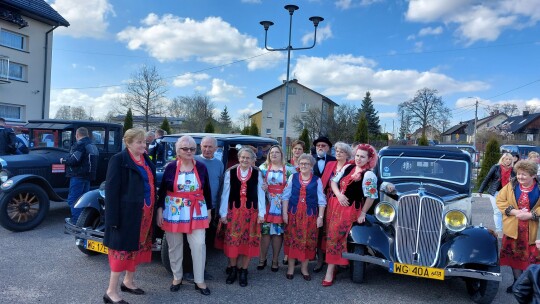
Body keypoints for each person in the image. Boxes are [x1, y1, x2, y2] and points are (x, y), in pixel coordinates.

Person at [103, 128, 156, 304]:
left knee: (136, 249)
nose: (143, 145)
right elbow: (111, 192)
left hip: (145, 214)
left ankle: (128, 281)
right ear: (128, 143)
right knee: (121, 252)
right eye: (139, 142)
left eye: (144, 142)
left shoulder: (145, 158)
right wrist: (112, 219)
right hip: (126, 215)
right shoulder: (119, 160)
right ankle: (111, 292)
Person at [156, 136, 212, 296]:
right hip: (173, 211)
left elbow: (207, 189)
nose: (189, 151)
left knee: (199, 245)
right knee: (174, 246)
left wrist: (208, 210)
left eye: (192, 149)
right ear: (177, 151)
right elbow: (162, 191)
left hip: (197, 211)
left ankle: (199, 280)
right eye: (185, 149)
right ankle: (177, 277)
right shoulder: (171, 167)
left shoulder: (201, 167)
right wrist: (160, 210)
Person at [323, 144, 378, 287]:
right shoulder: (348, 167)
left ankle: (330, 271)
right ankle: (335, 265)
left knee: (336, 238)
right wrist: (339, 195)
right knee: (330, 236)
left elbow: (371, 197)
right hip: (334, 206)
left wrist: (363, 212)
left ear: (369, 159)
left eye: (363, 157)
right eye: (358, 155)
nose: (359, 159)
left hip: (349, 210)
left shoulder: (369, 174)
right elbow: (333, 182)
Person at [218, 147, 265, 287]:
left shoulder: (258, 174)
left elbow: (261, 194)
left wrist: (262, 213)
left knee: (248, 243)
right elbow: (225, 194)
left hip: (251, 213)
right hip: (234, 213)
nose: (245, 160)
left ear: (252, 160)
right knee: (233, 242)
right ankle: (233, 270)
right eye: (242, 157)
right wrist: (223, 213)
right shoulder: (230, 172)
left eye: (248, 158)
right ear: (239, 158)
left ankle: (243, 270)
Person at [497, 160, 540, 293]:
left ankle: (532, 285)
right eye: (519, 174)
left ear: (533, 175)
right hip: (513, 230)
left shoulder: (539, 187)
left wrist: (532, 215)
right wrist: (514, 212)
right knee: (514, 258)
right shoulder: (511, 185)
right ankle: (517, 283)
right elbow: (500, 200)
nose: (520, 177)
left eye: (524, 175)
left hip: (532, 231)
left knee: (533, 261)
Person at [282, 153, 326, 281]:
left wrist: (321, 217)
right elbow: (285, 196)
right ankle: (290, 268)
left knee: (307, 242)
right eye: (301, 163)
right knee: (292, 241)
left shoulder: (317, 180)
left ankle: (304, 268)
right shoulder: (293, 178)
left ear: (311, 165)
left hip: (310, 216)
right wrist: (284, 213)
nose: (303, 166)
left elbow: (321, 200)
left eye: (306, 163)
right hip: (293, 214)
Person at [257, 145, 295, 272]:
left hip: (282, 204)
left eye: (276, 152)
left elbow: (294, 187)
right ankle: (262, 259)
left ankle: (275, 260)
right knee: (265, 233)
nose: (273, 154)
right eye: (271, 152)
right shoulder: (262, 168)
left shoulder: (289, 169)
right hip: (267, 203)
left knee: (278, 233)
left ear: (281, 154)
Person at [60, 127, 99, 224]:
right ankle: (83, 221)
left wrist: (63, 161)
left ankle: (76, 222)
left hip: (78, 175)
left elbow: (74, 160)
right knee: (84, 199)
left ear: (77, 135)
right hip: (88, 176)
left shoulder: (80, 145)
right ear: (87, 135)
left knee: (74, 200)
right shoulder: (92, 145)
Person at [311, 135, 336, 272]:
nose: (320, 147)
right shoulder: (309, 160)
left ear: (329, 148)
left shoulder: (335, 161)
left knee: (326, 230)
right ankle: (312, 257)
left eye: (323, 145)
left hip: (329, 199)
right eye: (318, 145)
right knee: (313, 228)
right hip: (310, 199)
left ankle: (326, 259)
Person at [478, 153, 515, 238]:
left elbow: (516, 182)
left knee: (507, 211)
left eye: (510, 159)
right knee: (497, 211)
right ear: (502, 159)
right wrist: (481, 190)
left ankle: (506, 230)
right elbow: (487, 178)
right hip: (495, 192)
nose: (508, 161)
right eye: (506, 159)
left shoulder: (513, 170)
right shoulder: (496, 167)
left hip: (508, 193)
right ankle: (499, 230)